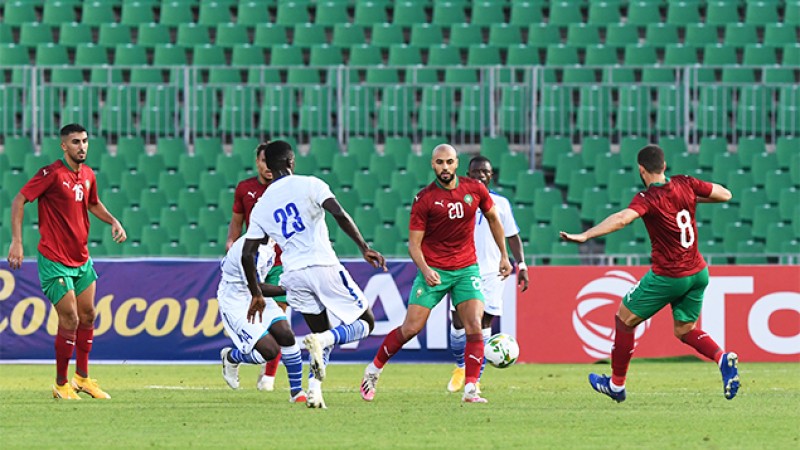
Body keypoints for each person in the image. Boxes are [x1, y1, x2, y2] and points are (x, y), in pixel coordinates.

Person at [560, 144, 740, 402]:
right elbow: (725, 194)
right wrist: (691, 198)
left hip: (670, 275)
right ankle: (722, 358)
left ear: (641, 170)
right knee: (684, 329)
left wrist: (586, 234)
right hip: (698, 272)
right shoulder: (685, 183)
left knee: (624, 318)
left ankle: (616, 385)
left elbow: (623, 218)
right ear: (664, 166)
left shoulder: (648, 198)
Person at [360, 144, 512, 404]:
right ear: (433, 164)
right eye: (440, 163)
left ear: (456, 163)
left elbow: (494, 220)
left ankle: (471, 388)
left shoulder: (474, 190)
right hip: (435, 271)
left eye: (449, 162)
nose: (445, 167)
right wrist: (426, 270)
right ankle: (373, 370)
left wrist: (504, 255)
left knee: (475, 325)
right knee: (410, 328)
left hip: (466, 269)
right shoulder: (425, 199)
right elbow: (413, 244)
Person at [241, 140, 387, 409]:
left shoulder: (261, 205)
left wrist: (256, 292)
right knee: (365, 323)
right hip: (323, 265)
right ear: (291, 161)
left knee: (320, 333)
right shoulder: (310, 184)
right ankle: (322, 343)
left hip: (293, 274)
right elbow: (338, 214)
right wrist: (364, 247)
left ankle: (314, 390)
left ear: (269, 169)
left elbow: (247, 253)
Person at [6, 123, 127, 400]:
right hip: (54, 259)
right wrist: (17, 241)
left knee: (88, 315)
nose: (82, 146)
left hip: (81, 258)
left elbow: (93, 203)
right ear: (64, 146)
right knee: (69, 317)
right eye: (75, 142)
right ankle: (61, 384)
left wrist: (113, 220)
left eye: (84, 141)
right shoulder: (50, 174)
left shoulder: (87, 175)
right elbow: (19, 200)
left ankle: (82, 379)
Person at [447, 155, 529, 393]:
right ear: (468, 175)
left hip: (494, 273)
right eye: (475, 172)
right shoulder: (457, 202)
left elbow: (512, 236)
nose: (480, 175)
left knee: (483, 324)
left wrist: (521, 265)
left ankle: (474, 380)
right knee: (459, 323)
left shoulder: (501, 204)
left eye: (485, 171)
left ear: (491, 175)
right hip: (462, 270)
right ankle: (461, 366)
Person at [225, 142, 286, 392]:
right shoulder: (245, 189)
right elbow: (236, 222)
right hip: (253, 262)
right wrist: (231, 241)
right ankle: (237, 356)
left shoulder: (285, 188)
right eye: (263, 160)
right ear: (258, 162)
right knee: (257, 321)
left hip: (280, 260)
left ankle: (268, 377)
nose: (268, 166)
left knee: (280, 320)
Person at [218, 234, 306, 404]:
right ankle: (232, 357)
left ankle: (297, 392)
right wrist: (290, 290)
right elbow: (256, 287)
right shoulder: (250, 248)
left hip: (257, 296)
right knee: (269, 351)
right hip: (236, 300)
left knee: (286, 334)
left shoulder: (270, 242)